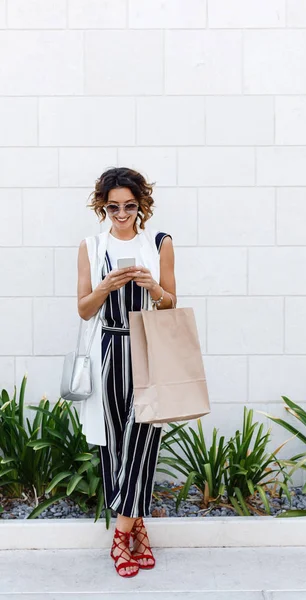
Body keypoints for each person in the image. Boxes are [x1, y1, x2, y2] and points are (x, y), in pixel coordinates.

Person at [77, 167, 177, 578]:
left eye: (130, 206)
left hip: (148, 349)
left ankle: (120, 535)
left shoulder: (159, 242)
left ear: (142, 205)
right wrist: (106, 285)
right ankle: (138, 529)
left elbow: (171, 303)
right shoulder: (90, 245)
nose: (121, 214)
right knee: (114, 445)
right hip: (109, 349)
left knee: (144, 439)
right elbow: (84, 309)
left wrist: (152, 286)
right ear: (103, 206)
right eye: (113, 206)